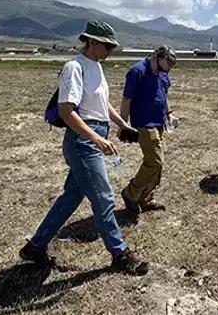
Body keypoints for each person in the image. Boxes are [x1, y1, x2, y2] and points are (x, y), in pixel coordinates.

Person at [19, 21, 149, 275]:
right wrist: (97, 139)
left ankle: (35, 247)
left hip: (92, 135)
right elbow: (67, 111)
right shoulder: (74, 67)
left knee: (71, 197)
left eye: (112, 46)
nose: (110, 50)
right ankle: (120, 254)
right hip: (82, 140)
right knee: (103, 198)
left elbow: (103, 103)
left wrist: (122, 125)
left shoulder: (96, 67)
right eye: (107, 45)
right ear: (91, 41)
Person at [119, 46, 178, 218]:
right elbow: (126, 99)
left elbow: (163, 95)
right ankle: (131, 193)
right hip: (144, 124)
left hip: (159, 123)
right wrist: (123, 124)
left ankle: (146, 198)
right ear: (157, 57)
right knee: (155, 162)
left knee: (158, 165)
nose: (166, 71)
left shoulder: (162, 73)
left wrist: (169, 114)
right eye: (166, 65)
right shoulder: (137, 72)